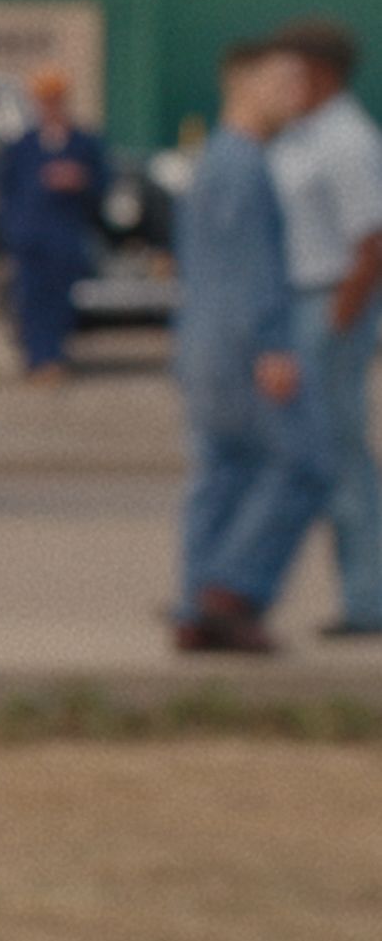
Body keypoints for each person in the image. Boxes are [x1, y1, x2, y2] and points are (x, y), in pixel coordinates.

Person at [169, 41, 318, 652]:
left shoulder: (213, 160)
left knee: (223, 471)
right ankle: (229, 591)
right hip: (239, 343)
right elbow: (250, 267)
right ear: (244, 84)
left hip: (204, 338)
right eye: (284, 83)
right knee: (301, 465)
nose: (297, 97)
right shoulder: (245, 164)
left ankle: (196, 605)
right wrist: (272, 344)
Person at [263, 17, 382, 636]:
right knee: (316, 452)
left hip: (328, 300)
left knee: (339, 454)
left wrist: (336, 324)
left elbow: (371, 243)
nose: (283, 82)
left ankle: (368, 600)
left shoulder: (346, 140)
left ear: (323, 73)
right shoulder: (300, 135)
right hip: (298, 300)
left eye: (293, 70)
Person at [0, 64, 108, 381]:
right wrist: (13, 231)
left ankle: (54, 357)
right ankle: (37, 359)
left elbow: (102, 188)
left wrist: (79, 180)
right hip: (30, 236)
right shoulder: (23, 146)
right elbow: (6, 192)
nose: (50, 106)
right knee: (31, 298)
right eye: (44, 100)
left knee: (59, 299)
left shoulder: (83, 144)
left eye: (55, 99)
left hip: (65, 234)